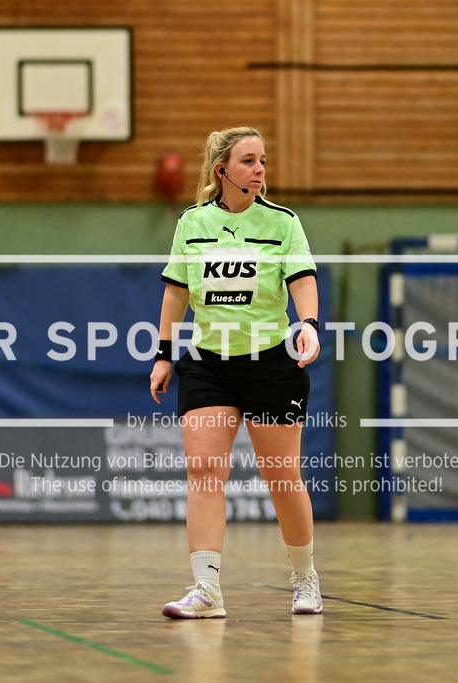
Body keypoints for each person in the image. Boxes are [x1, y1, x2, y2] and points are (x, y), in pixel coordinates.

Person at [150, 126, 323, 619]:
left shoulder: (283, 224)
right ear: (222, 170)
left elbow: (302, 279)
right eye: (249, 161)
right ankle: (206, 590)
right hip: (209, 365)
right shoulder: (192, 223)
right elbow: (175, 294)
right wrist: (164, 354)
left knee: (282, 477)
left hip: (271, 363)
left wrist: (308, 324)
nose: (261, 169)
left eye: (263, 160)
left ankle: (305, 578)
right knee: (204, 471)